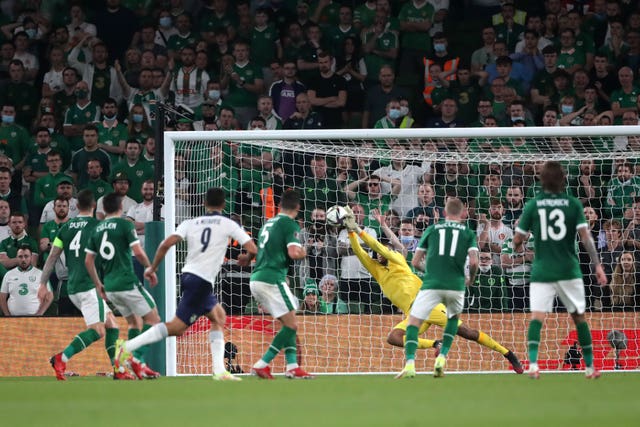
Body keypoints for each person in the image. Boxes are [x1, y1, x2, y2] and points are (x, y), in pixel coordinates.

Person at [343, 207, 521, 375]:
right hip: (412, 313)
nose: (382, 252)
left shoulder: (397, 258)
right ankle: (436, 343)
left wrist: (358, 229)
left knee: (467, 332)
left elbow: (380, 247)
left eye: (385, 249)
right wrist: (351, 232)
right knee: (394, 337)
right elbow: (359, 252)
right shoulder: (377, 271)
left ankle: (507, 354)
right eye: (378, 252)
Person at [115, 187, 257, 381]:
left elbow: (165, 244)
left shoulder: (191, 222)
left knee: (218, 317)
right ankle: (127, 348)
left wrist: (152, 267)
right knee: (177, 327)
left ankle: (219, 371)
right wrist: (246, 258)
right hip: (201, 281)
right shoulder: (228, 224)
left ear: (205, 204)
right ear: (223, 205)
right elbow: (252, 248)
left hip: (190, 276)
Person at [513, 161, 607, 380]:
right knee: (579, 317)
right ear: (563, 179)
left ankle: (534, 365)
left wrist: (519, 245)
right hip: (568, 269)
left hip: (542, 270)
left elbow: (518, 238)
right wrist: (597, 264)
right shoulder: (573, 204)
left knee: (537, 317)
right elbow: (586, 237)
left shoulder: (533, 205)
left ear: (541, 180)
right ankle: (590, 367)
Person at [41, 190, 134, 380]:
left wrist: (43, 283)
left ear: (77, 206)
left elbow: (52, 257)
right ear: (94, 206)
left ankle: (118, 370)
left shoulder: (65, 228)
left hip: (72, 285)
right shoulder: (97, 226)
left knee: (112, 325)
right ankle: (61, 358)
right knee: (98, 329)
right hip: (89, 285)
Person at [397, 198, 478, 378]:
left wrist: (432, 272)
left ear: (444, 213)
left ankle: (410, 363)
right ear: (463, 214)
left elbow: (415, 262)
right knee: (452, 320)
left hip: (432, 284)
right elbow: (473, 262)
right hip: (456, 284)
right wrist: (469, 279)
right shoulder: (468, 233)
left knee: (413, 323)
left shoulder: (431, 230)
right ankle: (442, 357)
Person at [85, 192, 162, 380]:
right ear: (121, 207)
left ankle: (135, 364)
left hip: (110, 287)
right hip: (127, 282)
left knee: (134, 322)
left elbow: (88, 260)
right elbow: (138, 252)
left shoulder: (96, 229)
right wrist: (149, 268)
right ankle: (134, 357)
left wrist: (98, 284)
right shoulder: (125, 224)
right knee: (154, 321)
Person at [249, 189, 313, 379]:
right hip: (271, 279)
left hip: (258, 278)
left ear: (279, 206)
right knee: (291, 325)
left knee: (290, 321)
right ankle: (262, 364)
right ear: (298, 207)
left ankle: (292, 366)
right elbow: (294, 252)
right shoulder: (288, 223)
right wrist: (305, 251)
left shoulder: (268, 223)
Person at [0, 246, 51, 316]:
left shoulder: (40, 274)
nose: (23, 259)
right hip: (13, 318)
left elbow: (49, 296)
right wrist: (7, 315)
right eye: (20, 257)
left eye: (26, 256)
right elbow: (2, 297)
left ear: (31, 258)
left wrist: (40, 313)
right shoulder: (9, 274)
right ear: (17, 258)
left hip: (34, 318)